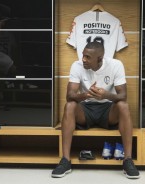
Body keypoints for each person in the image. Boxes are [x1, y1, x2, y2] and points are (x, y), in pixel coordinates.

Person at [51, 41, 140, 179]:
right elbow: (69, 96)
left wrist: (106, 95)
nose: (83, 59)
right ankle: (65, 160)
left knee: (123, 105)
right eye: (83, 55)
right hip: (85, 109)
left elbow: (123, 95)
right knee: (69, 106)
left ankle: (127, 160)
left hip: (108, 109)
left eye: (87, 57)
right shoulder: (77, 66)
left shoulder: (115, 65)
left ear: (99, 58)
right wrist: (84, 95)